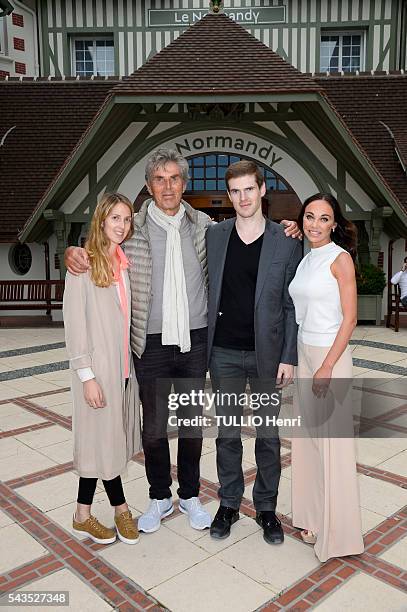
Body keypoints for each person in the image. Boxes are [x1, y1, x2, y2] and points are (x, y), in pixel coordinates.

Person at [65, 149, 301, 535]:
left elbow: (259, 244)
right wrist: (73, 252)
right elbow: (100, 241)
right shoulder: (133, 229)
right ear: (148, 186)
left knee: (192, 427)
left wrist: (291, 227)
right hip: (151, 343)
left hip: (195, 340)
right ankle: (160, 496)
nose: (168, 186)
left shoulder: (205, 227)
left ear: (185, 184)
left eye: (175, 178)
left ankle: (190, 495)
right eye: (159, 179)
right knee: (154, 428)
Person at [206, 160, 302, 544]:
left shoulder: (286, 240)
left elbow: (293, 305)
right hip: (224, 353)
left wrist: (289, 356)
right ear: (229, 196)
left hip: (268, 355)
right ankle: (228, 503)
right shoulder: (215, 236)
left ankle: (266, 509)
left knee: (268, 436)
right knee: (227, 435)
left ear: (263, 190)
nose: (243, 197)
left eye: (250, 189)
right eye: (236, 191)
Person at [288, 193, 364, 562]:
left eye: (323, 218)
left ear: (334, 223)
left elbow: (349, 318)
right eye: (309, 217)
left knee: (333, 447)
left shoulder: (340, 259)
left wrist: (327, 366)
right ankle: (315, 518)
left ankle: (339, 536)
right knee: (309, 443)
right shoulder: (307, 259)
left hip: (328, 358)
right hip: (305, 353)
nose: (315, 224)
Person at [63, 193, 141, 545]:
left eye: (126, 219)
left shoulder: (123, 266)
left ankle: (82, 514)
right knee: (104, 444)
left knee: (103, 444)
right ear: (101, 221)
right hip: (96, 374)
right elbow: (74, 325)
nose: (121, 226)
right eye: (115, 218)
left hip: (122, 372)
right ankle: (121, 509)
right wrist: (87, 376)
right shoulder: (84, 265)